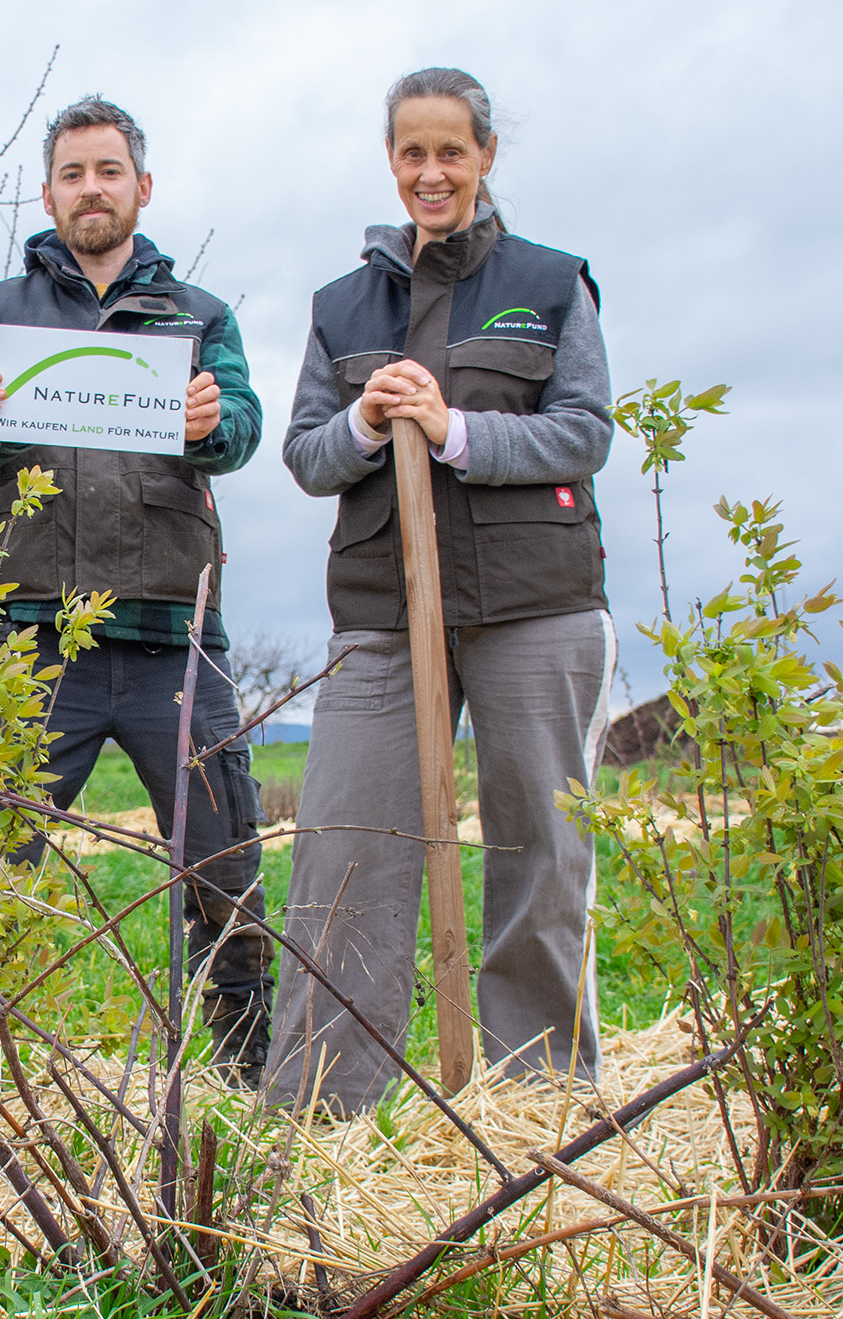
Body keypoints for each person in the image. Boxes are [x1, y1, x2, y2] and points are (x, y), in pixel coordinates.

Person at [264, 67, 617, 1114]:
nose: (431, 172)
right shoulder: (343, 306)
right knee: (344, 849)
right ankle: (325, 1107)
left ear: (484, 157)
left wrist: (456, 431)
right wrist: (367, 421)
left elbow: (584, 430)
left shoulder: (551, 283)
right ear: (390, 159)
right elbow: (306, 455)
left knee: (539, 844)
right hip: (382, 605)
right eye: (412, 152)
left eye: (450, 152)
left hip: (534, 600)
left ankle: (538, 1097)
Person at [0, 96, 273, 1087]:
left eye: (108, 171)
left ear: (141, 188)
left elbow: (243, 429)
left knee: (223, 858)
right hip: (31, 638)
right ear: (48, 195)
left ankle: (244, 1071)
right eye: (72, 173)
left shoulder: (199, 317)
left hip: (174, 635)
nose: (91, 188)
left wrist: (212, 422)